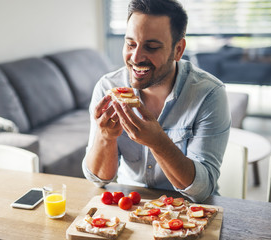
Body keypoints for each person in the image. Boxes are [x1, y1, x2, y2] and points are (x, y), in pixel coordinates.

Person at [82, 0, 231, 202]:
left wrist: (157, 142)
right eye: (130, 44)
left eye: (151, 47)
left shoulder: (209, 94)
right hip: (131, 205)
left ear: (178, 50)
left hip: (189, 211)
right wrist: (106, 138)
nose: (136, 57)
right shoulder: (107, 88)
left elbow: (202, 190)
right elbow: (97, 179)